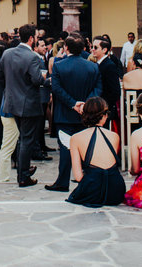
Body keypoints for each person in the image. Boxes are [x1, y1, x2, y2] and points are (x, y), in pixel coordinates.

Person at [46, 34, 102, 192]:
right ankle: (88, 179)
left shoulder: (59, 66)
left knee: (65, 148)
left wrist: (73, 104)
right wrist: (85, 104)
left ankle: (63, 181)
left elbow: (56, 89)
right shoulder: (93, 66)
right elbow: (97, 89)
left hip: (65, 113)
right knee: (87, 148)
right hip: (86, 114)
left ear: (66, 48)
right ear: (84, 49)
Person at [0, 23, 46, 187]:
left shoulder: (7, 53)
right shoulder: (32, 57)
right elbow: (37, 80)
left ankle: (22, 171)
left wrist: (11, 90)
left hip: (11, 103)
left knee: (22, 139)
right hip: (28, 103)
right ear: (32, 38)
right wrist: (46, 79)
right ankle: (23, 176)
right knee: (26, 140)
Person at [65, 96, 125, 207]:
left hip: (92, 190)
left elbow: (78, 177)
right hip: (116, 190)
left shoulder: (76, 138)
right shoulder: (114, 136)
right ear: (104, 116)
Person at [92, 37, 121, 133]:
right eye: (92, 47)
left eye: (95, 47)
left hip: (104, 109)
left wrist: (104, 106)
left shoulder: (109, 65)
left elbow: (115, 91)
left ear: (104, 50)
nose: (92, 49)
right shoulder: (100, 64)